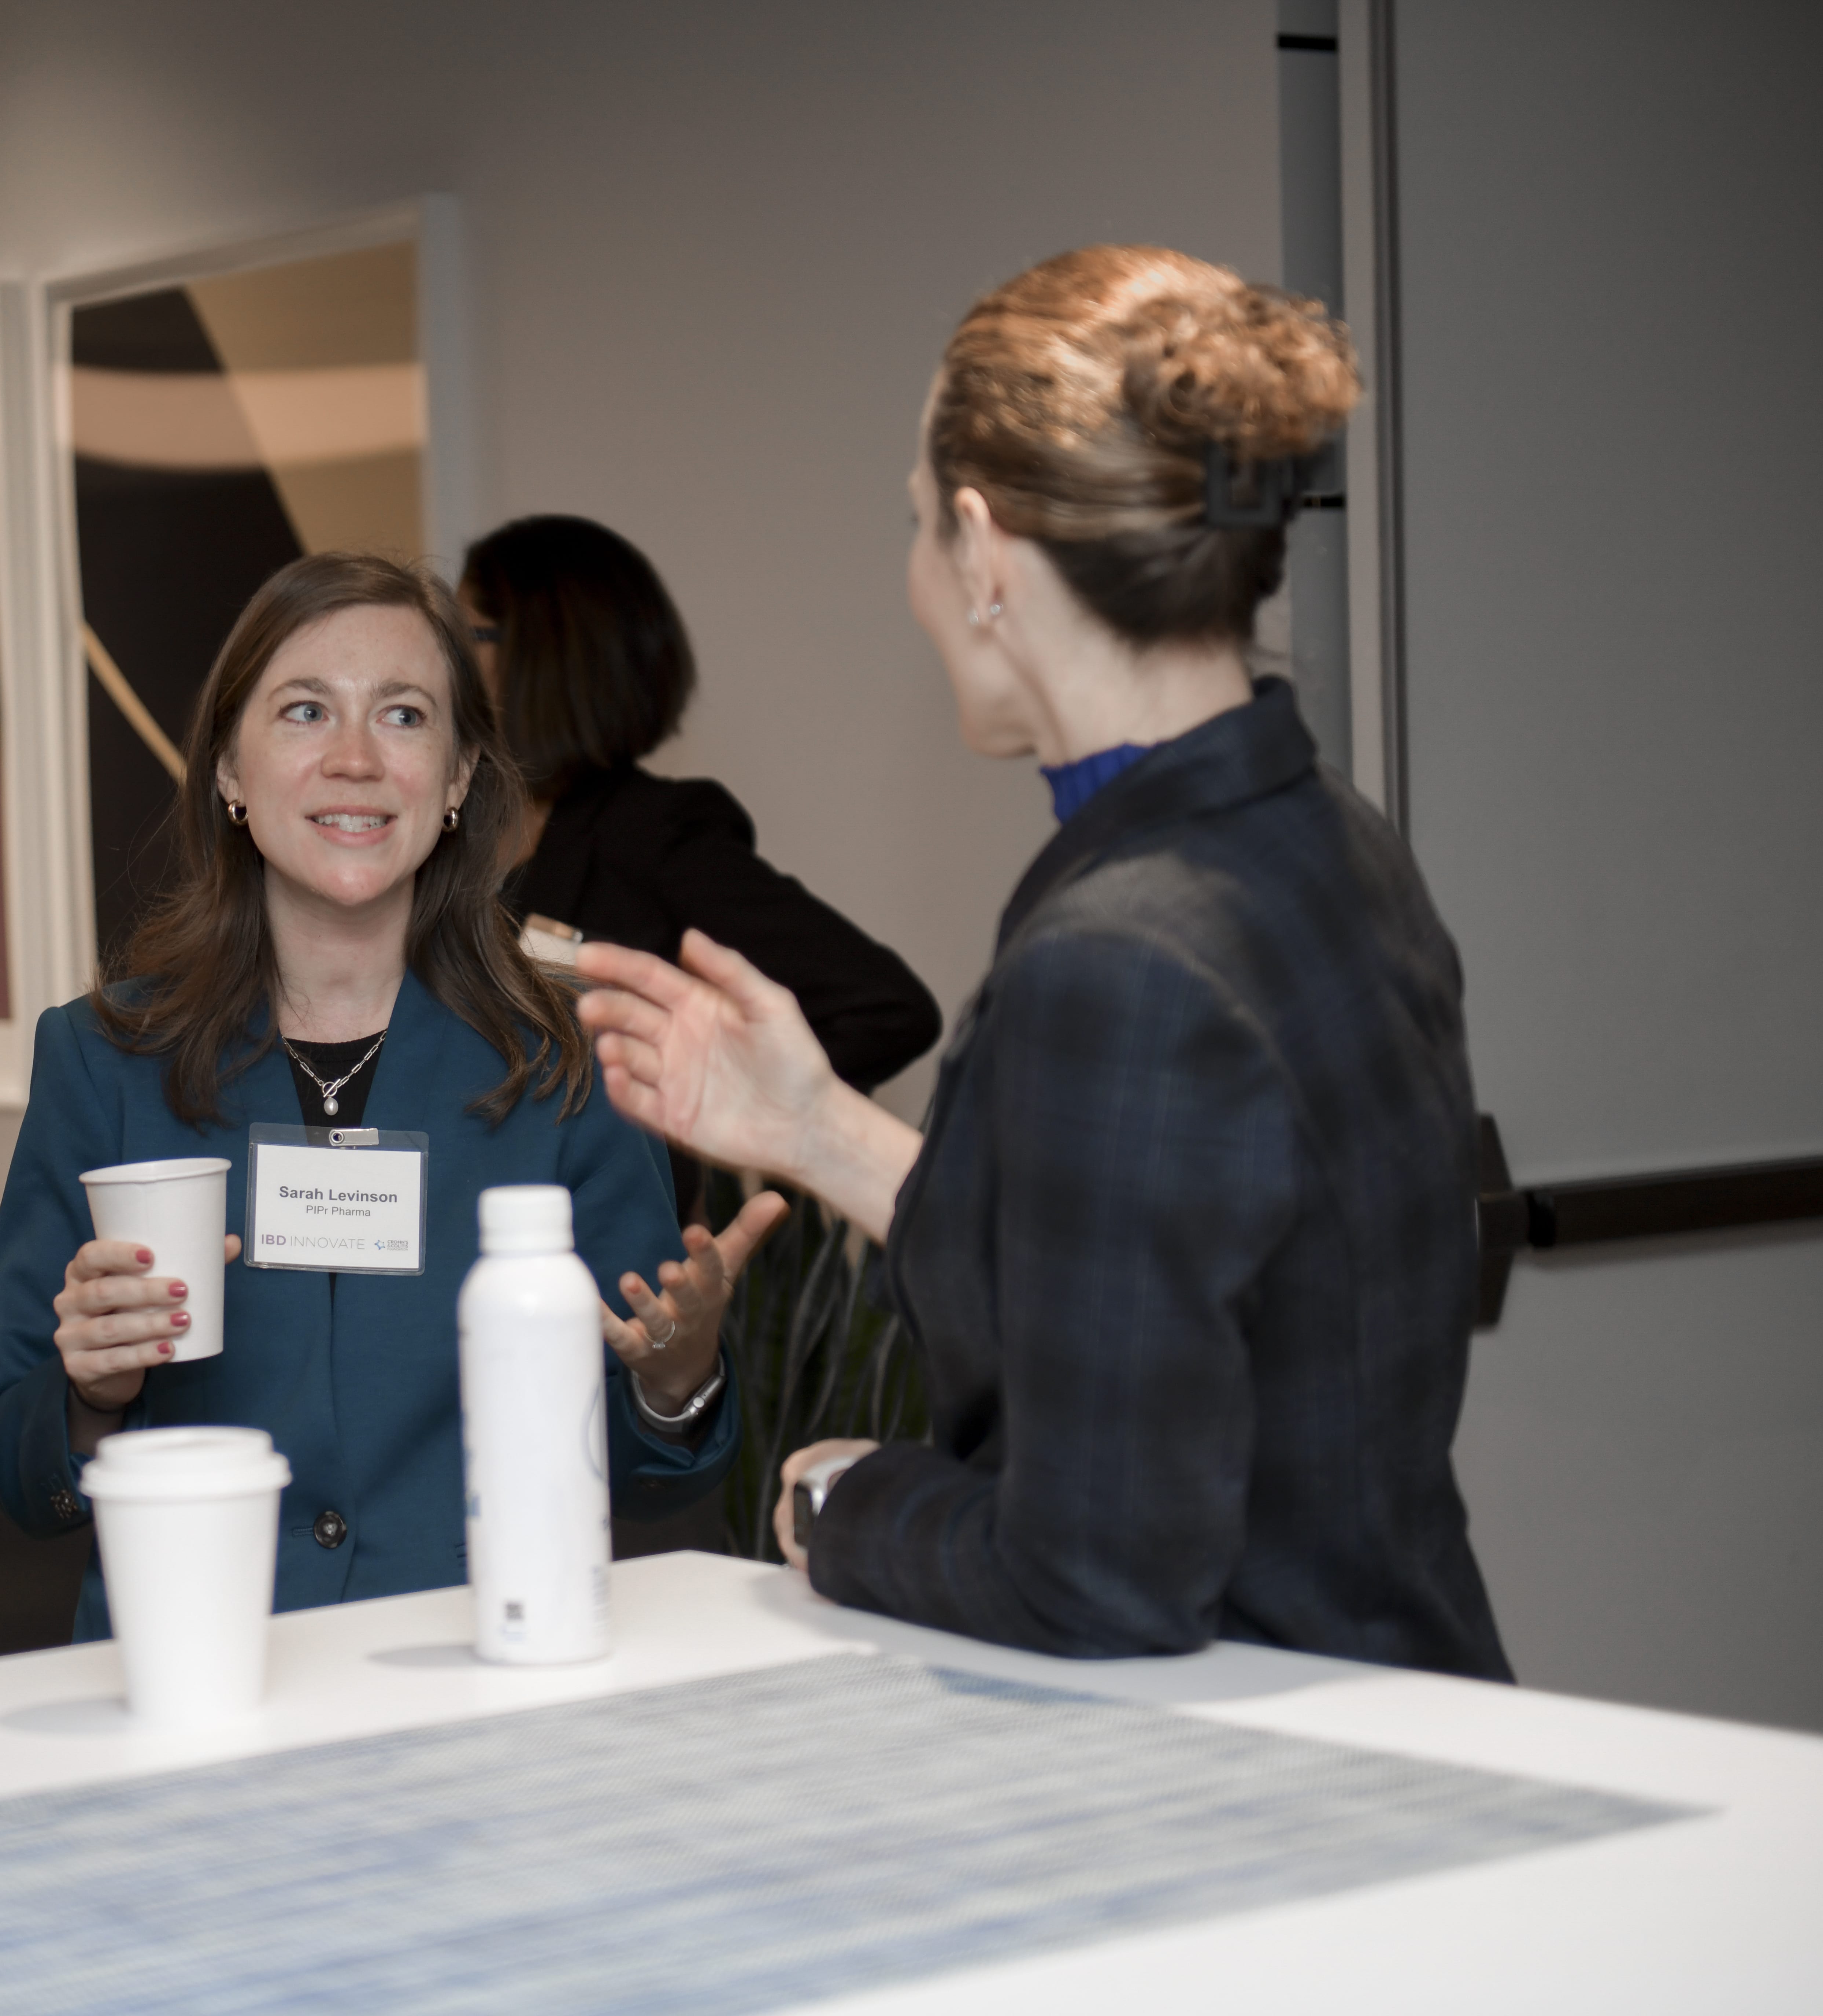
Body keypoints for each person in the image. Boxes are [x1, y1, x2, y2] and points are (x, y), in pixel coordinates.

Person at [577, 245, 1510, 1680]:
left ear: (985, 547)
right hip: (1397, 1681)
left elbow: (1099, 1574)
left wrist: (845, 1502)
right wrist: (814, 1127)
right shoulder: (1325, 840)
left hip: (1269, 1761)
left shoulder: (1119, 955)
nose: (915, 579)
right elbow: (1170, 1272)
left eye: (913, 529)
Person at [0, 554, 788, 1637]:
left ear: (456, 781)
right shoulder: (103, 1059)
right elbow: (16, 1475)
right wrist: (90, 1394)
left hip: (472, 1679)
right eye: (305, 711)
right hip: (195, 1669)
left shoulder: (565, 1069)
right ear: (229, 765)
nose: (354, 760)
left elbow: (646, 1480)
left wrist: (674, 1382)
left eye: (403, 716)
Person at [459, 515, 941, 1219]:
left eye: (467, 634)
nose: (442, 660)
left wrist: (716, 1101)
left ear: (539, 655)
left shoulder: (651, 833)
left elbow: (885, 1008)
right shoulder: (450, 827)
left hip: (604, 1252)